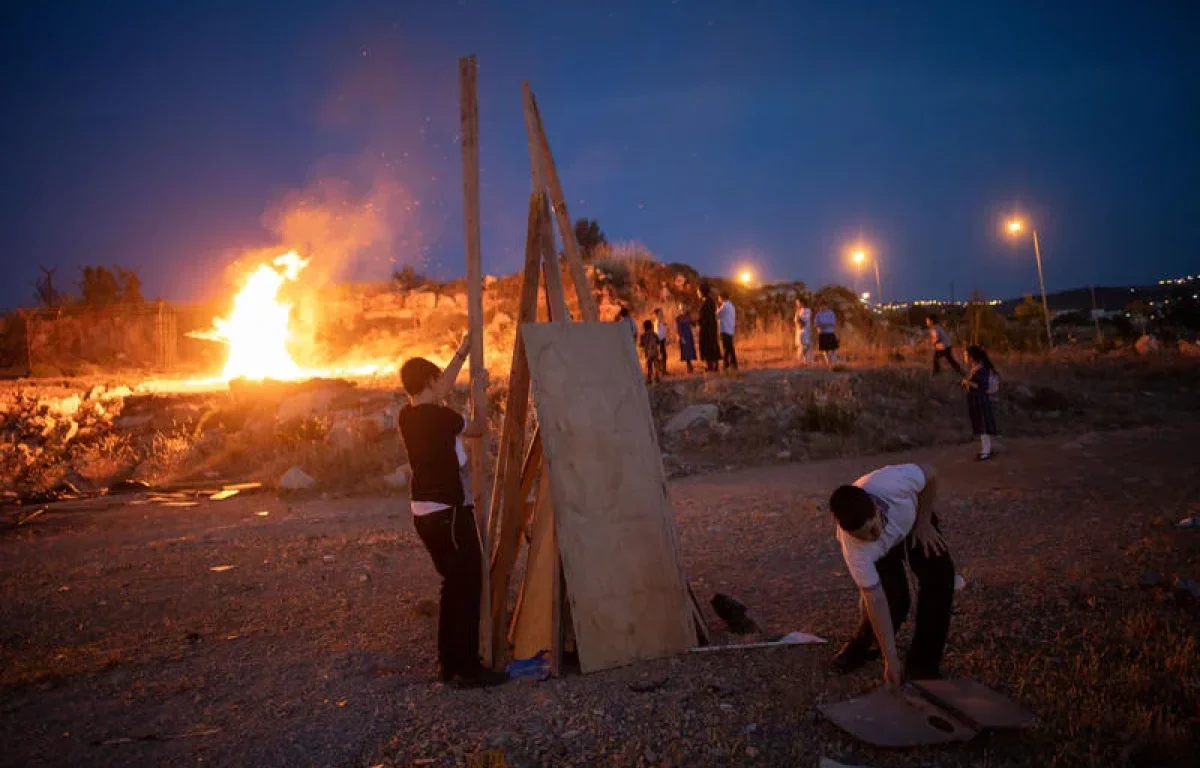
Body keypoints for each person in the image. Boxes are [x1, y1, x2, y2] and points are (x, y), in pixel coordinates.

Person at [398, 335, 508, 689]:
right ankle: (467, 668)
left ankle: (450, 665)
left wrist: (462, 351)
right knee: (468, 584)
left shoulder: (408, 415)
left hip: (425, 512)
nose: (444, 386)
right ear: (430, 383)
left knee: (452, 584)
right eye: (438, 381)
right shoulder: (441, 417)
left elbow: (441, 385)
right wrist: (481, 392)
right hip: (447, 511)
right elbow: (479, 429)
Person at [828, 463, 955, 685]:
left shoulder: (891, 483)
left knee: (940, 580)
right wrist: (891, 659)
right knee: (893, 599)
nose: (873, 537)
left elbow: (931, 473)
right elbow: (874, 599)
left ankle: (922, 667)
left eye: (874, 528)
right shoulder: (855, 548)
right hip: (885, 551)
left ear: (877, 506)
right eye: (863, 536)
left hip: (914, 522)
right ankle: (863, 646)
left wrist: (924, 521)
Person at [962, 345, 999, 460]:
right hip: (977, 401)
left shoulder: (980, 369)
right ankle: (985, 450)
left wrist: (968, 383)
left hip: (980, 401)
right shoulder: (977, 368)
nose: (964, 357)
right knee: (981, 426)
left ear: (971, 357)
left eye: (966, 355)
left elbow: (982, 386)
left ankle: (986, 452)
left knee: (983, 426)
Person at [697, 283, 721, 372]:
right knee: (711, 345)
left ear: (702, 292)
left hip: (707, 328)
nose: (697, 293)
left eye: (698, 291)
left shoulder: (707, 302)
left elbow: (705, 317)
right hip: (710, 327)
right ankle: (713, 366)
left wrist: (699, 322)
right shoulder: (708, 301)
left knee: (708, 346)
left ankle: (712, 366)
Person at [716, 292, 738, 370]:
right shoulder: (731, 306)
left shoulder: (724, 306)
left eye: (719, 297)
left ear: (722, 297)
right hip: (730, 329)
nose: (718, 299)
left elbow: (717, 316)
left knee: (726, 348)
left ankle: (726, 365)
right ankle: (732, 364)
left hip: (725, 329)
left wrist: (717, 309)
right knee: (730, 348)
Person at [640, 319, 663, 383]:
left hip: (647, 353)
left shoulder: (642, 336)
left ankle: (649, 378)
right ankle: (657, 377)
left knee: (649, 366)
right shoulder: (654, 334)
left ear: (644, 327)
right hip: (655, 352)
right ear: (651, 326)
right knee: (656, 365)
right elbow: (658, 342)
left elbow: (641, 345)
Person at [675, 307, 697, 374]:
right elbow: (678, 328)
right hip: (683, 335)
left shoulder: (688, 316)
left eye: (684, 308)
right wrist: (680, 336)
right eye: (681, 309)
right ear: (679, 310)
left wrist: (693, 319)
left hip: (689, 335)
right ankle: (689, 365)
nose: (683, 310)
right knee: (685, 350)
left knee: (690, 350)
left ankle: (690, 366)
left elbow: (694, 325)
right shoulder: (678, 318)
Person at [793, 298, 813, 364]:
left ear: (802, 303)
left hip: (805, 330)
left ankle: (807, 360)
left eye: (798, 303)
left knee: (806, 345)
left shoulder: (807, 310)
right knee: (800, 345)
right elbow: (795, 321)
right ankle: (802, 360)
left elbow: (805, 321)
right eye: (796, 303)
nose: (797, 304)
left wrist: (799, 319)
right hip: (798, 330)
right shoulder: (797, 311)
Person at [653, 307, 670, 375]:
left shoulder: (660, 321)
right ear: (657, 314)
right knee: (663, 355)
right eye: (661, 312)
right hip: (660, 341)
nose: (662, 313)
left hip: (662, 340)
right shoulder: (657, 322)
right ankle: (662, 370)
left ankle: (662, 370)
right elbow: (657, 333)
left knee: (663, 355)